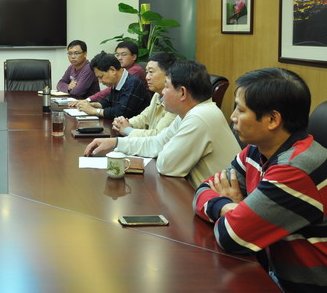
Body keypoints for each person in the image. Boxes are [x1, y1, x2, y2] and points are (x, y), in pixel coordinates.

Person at [193, 68, 327, 292]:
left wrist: (238, 212)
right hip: (271, 272)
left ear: (272, 119)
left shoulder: (296, 170)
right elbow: (203, 189)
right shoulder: (256, 151)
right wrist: (233, 208)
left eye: (240, 109)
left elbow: (231, 237)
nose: (232, 117)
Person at [84, 60, 240, 187]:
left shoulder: (199, 117)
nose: (163, 92)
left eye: (166, 87)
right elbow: (157, 142)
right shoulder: (189, 113)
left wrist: (163, 147)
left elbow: (166, 165)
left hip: (217, 204)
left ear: (183, 93)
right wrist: (115, 142)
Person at [112, 52, 177, 137]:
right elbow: (144, 117)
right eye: (147, 72)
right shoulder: (157, 95)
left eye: (151, 72)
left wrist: (127, 130)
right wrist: (124, 123)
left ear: (168, 74)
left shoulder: (176, 100)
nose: (147, 77)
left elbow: (158, 136)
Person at [72, 52, 149, 120]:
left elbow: (121, 113)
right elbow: (109, 102)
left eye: (101, 77)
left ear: (112, 70)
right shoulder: (117, 82)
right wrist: (93, 105)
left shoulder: (132, 83)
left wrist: (94, 111)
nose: (100, 81)